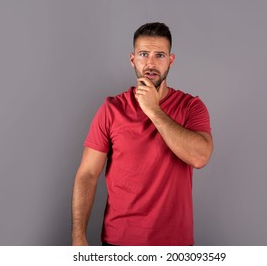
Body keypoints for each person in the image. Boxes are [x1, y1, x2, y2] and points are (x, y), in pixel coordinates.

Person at [71, 22, 213, 246]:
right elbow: (87, 174)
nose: (151, 63)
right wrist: (78, 237)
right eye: (144, 54)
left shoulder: (191, 106)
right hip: (119, 243)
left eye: (160, 55)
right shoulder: (112, 109)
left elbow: (199, 157)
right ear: (132, 59)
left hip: (174, 246)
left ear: (171, 60)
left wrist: (153, 110)